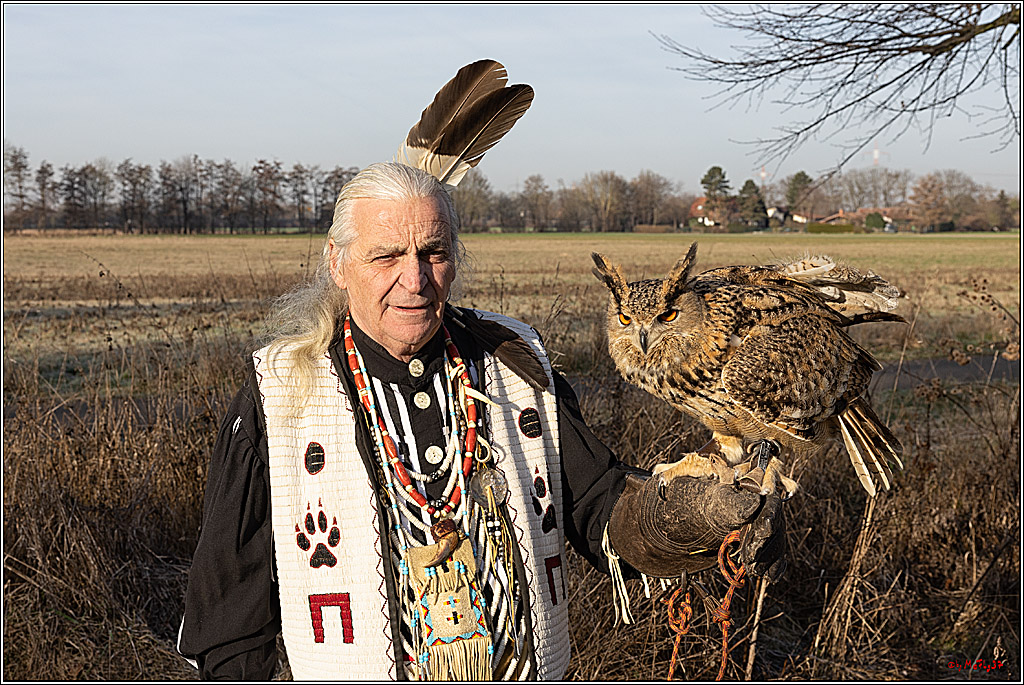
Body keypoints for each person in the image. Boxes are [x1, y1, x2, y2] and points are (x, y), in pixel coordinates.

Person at [177, 162, 785, 680]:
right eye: (385, 255)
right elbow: (231, 609)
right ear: (338, 264)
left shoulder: (513, 361)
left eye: (433, 253)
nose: (413, 280)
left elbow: (598, 504)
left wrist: (691, 519)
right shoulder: (280, 393)